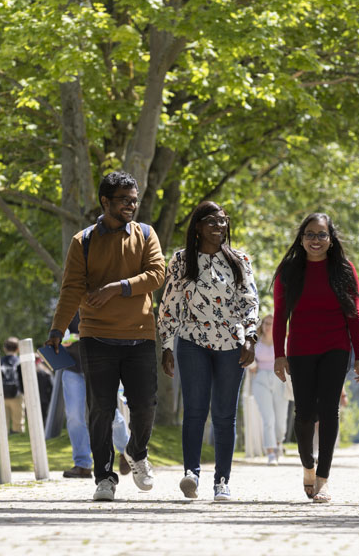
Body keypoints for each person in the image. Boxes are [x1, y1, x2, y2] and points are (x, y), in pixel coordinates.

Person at [46, 171, 165, 502]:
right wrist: (57, 329)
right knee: (99, 409)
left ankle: (136, 453)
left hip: (140, 335)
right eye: (125, 200)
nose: (132, 205)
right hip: (96, 336)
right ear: (105, 202)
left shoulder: (145, 234)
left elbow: (157, 275)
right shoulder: (82, 241)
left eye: (135, 199)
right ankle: (104, 477)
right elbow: (71, 288)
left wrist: (118, 288)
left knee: (145, 405)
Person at [159, 200, 259, 502]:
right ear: (198, 226)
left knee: (224, 415)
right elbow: (170, 304)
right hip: (192, 342)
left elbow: (249, 299)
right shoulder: (180, 260)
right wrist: (166, 345)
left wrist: (250, 337)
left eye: (223, 221)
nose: (219, 226)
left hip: (231, 344)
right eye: (212, 221)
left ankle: (222, 481)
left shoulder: (239, 260)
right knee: (194, 411)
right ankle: (191, 474)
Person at [272, 212, 359, 504]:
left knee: (328, 411)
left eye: (322, 234)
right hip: (300, 349)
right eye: (310, 234)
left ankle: (323, 480)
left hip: (335, 348)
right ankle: (308, 467)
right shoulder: (288, 271)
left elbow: (354, 315)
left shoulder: (344, 270)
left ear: (331, 238)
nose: (316, 240)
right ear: (302, 239)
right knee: (304, 415)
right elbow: (280, 316)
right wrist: (279, 354)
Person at [61, 315, 131, 479]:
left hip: (98, 367)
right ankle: (82, 464)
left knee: (109, 414)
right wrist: (57, 340)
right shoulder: (67, 307)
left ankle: (126, 452)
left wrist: (79, 337)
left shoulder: (101, 302)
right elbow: (58, 330)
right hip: (72, 368)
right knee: (74, 416)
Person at [248, 314, 288, 465]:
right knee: (268, 418)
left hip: (280, 379)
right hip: (261, 379)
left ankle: (278, 444)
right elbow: (247, 355)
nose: (268, 326)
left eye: (271, 323)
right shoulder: (255, 342)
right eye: (265, 323)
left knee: (280, 420)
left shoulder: (282, 341)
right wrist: (253, 366)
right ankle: (270, 452)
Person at [0, 337, 24, 434]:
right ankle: (18, 436)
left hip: (2, 394)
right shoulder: (19, 361)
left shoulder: (0, 361)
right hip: (17, 393)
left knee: (3, 422)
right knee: (18, 422)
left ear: (4, 349)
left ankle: (4, 439)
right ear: (18, 349)